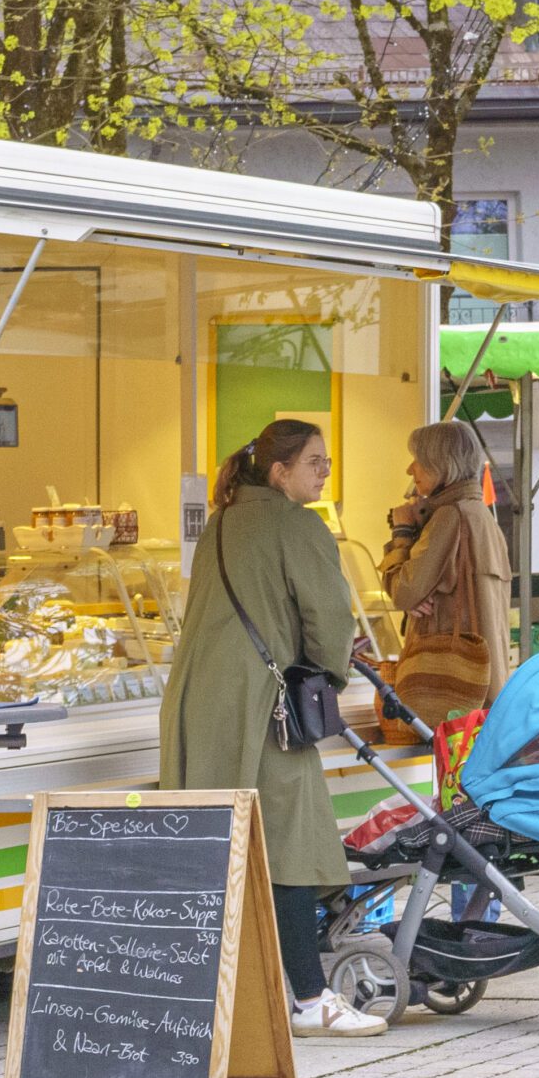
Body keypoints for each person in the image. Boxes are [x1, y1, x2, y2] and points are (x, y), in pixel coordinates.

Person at [163, 419, 383, 1038]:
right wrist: (329, 674)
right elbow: (329, 615)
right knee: (290, 847)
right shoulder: (298, 525)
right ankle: (311, 999)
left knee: (210, 845)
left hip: (199, 702)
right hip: (264, 710)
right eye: (315, 461)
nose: (325, 471)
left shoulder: (222, 522)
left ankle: (195, 996)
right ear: (280, 472)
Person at [381, 420, 515, 717]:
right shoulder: (481, 516)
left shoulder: (449, 517)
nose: (410, 469)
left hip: (452, 686)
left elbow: (404, 592)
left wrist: (402, 533)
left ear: (440, 464)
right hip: (487, 685)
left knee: (453, 762)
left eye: (418, 459)